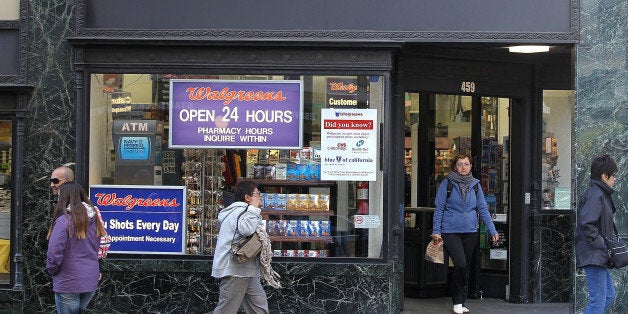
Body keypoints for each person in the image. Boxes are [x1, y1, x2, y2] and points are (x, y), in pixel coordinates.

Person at [431, 154, 499, 314]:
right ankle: (456, 301)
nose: (463, 167)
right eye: (460, 164)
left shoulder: (475, 185)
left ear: (470, 166)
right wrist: (436, 230)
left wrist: (492, 230)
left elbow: (482, 208)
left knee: (465, 267)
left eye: (466, 164)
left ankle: (461, 301)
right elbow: (439, 207)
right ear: (455, 166)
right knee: (460, 264)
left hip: (470, 230)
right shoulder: (446, 184)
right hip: (450, 230)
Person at [46, 181, 106, 313]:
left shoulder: (64, 221)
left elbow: (54, 252)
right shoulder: (95, 220)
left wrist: (51, 270)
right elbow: (102, 245)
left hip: (68, 280)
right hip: (90, 279)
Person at [212, 180, 269, 314]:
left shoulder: (245, 211)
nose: (260, 196)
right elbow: (247, 229)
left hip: (246, 269)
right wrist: (254, 208)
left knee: (259, 308)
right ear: (247, 197)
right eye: (257, 193)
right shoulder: (240, 211)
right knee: (226, 310)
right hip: (234, 270)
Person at [575, 154, 618, 314]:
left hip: (598, 255)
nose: (614, 179)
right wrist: (600, 244)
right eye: (613, 175)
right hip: (594, 254)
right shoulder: (595, 194)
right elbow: (586, 223)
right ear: (604, 176)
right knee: (598, 300)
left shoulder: (600, 193)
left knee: (608, 295)